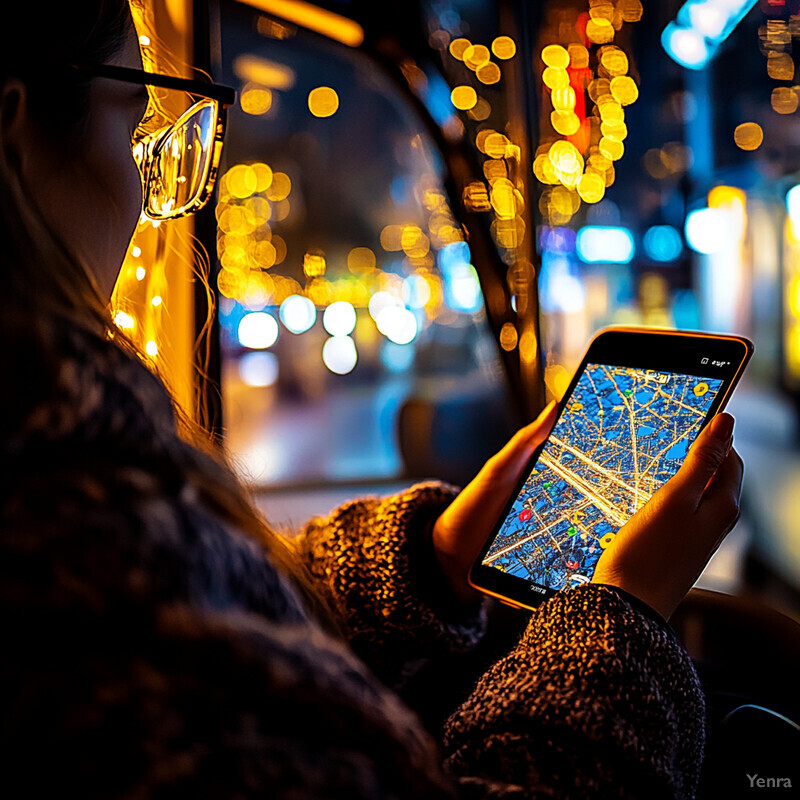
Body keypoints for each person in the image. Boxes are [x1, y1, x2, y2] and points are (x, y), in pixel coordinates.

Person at [0, 1, 744, 797]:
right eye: (134, 132)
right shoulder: (60, 531)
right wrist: (621, 625)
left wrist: (431, 558)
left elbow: (219, 613)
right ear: (15, 133)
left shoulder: (63, 473)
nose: (152, 195)